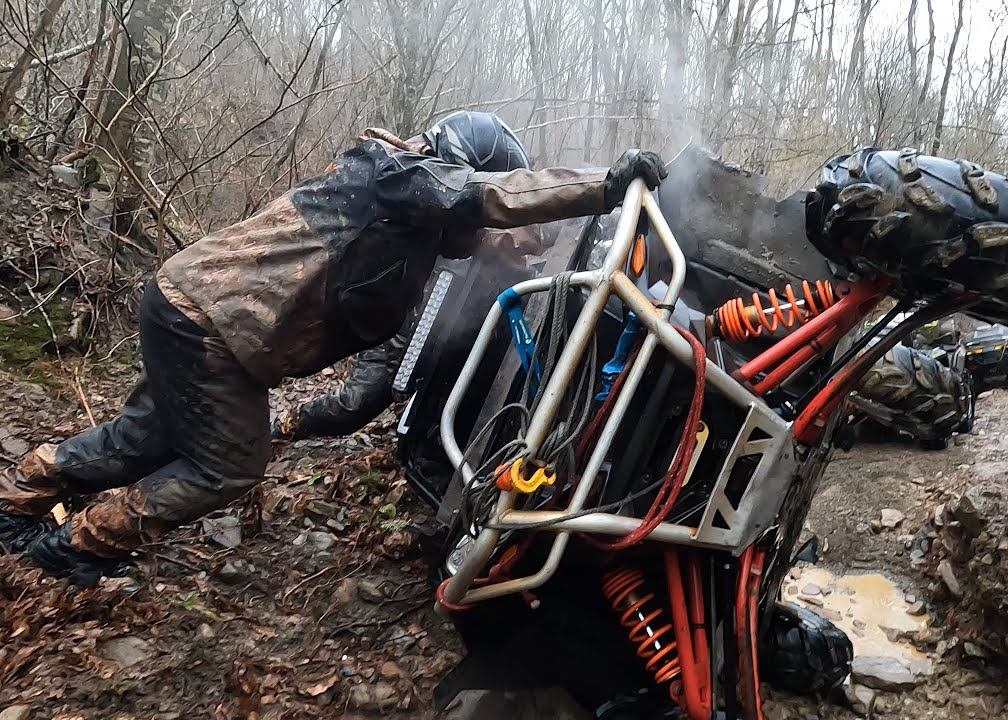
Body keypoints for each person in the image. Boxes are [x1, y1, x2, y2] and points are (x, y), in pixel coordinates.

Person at [0, 110, 666, 585]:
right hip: (213, 326)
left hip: (193, 309)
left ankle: (19, 497)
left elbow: (468, 247)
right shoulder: (401, 172)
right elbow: (484, 199)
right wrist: (603, 185)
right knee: (229, 465)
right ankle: (76, 546)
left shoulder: (402, 218)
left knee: (144, 440)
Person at [272, 114, 544, 443]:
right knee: (356, 402)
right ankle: (285, 426)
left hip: (390, 304)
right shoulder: (395, 178)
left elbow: (479, 239)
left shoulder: (417, 184)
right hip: (332, 301)